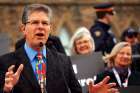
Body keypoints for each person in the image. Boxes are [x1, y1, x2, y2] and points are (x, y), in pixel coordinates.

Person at [0, 4, 118, 93]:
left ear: (50, 29)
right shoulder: (6, 63)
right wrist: (6, 90)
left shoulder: (64, 61)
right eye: (35, 22)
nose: (40, 27)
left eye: (45, 23)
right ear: (23, 29)